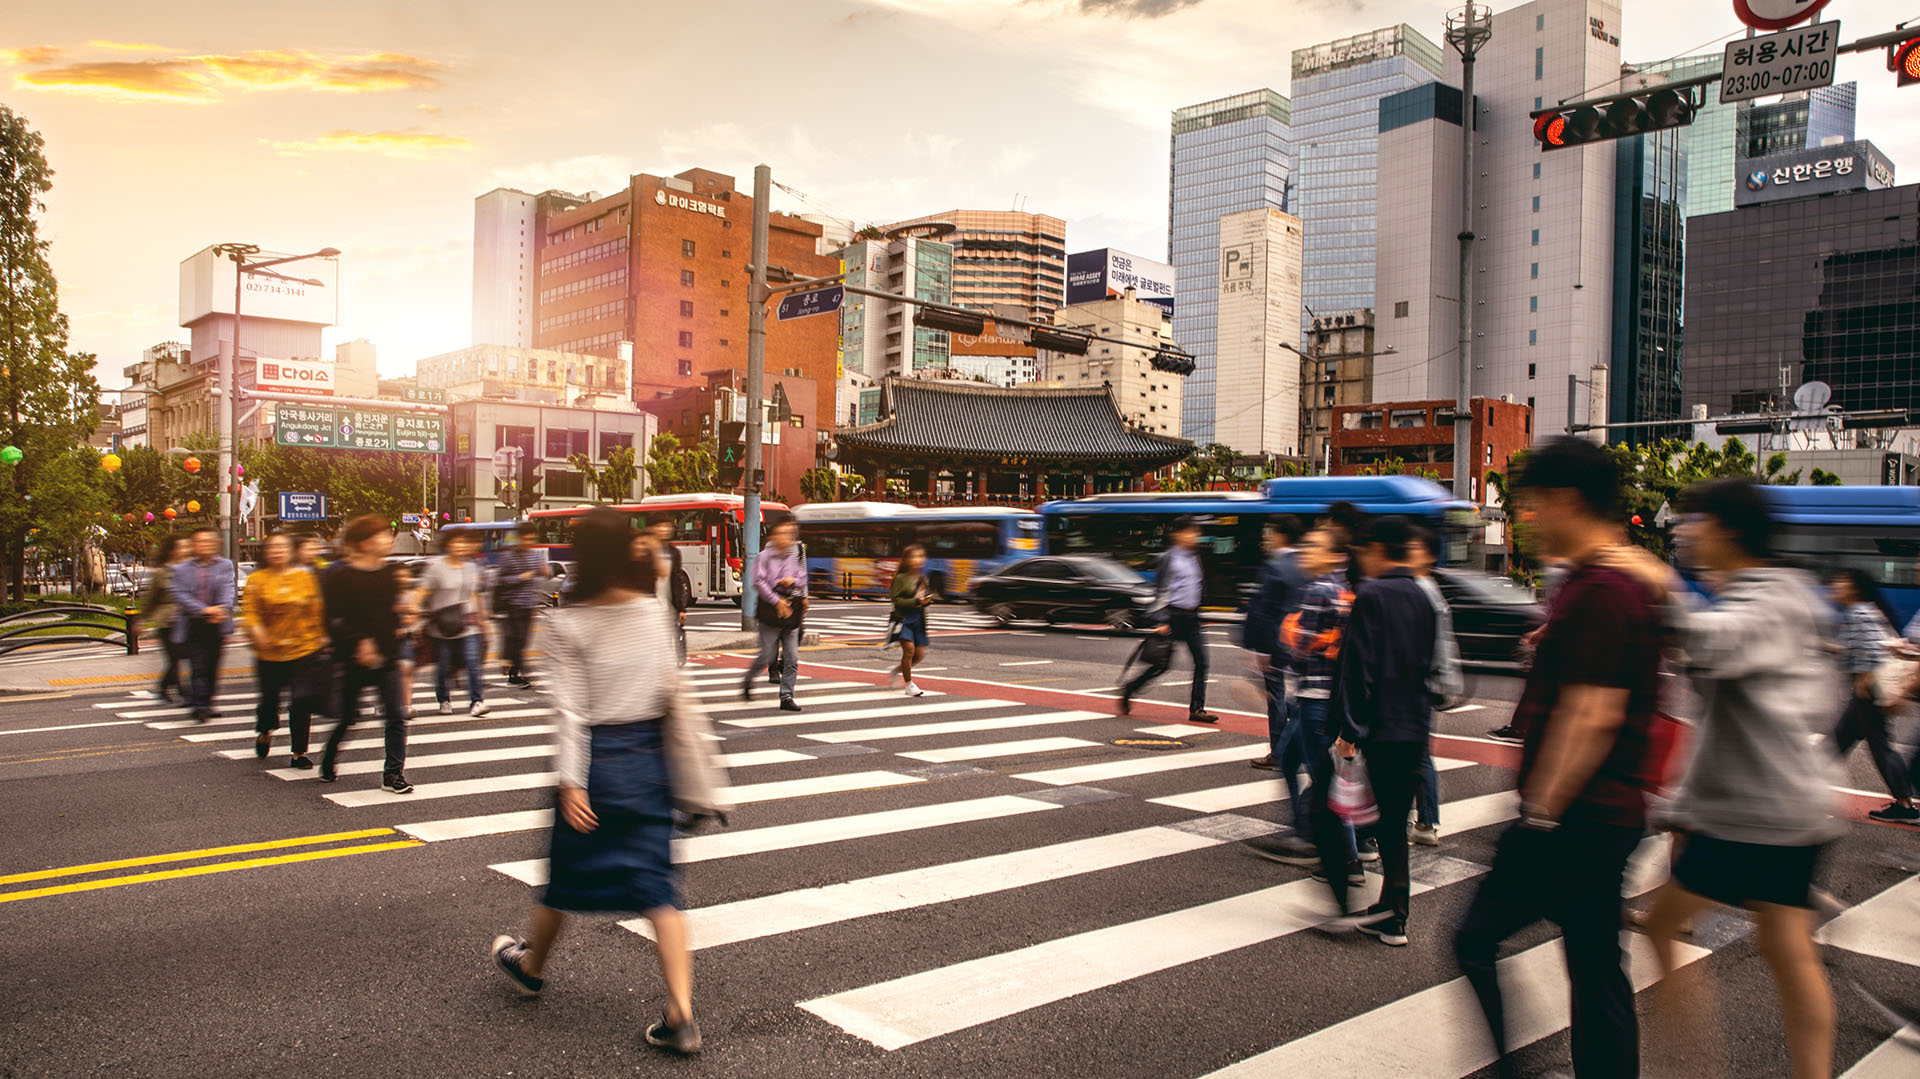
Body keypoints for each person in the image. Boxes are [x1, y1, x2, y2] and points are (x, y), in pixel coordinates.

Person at [1452, 437, 1663, 1079]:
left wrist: (1543, 810)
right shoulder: (1613, 581)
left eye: (1533, 505)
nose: (1526, 521)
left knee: (1475, 939)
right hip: (1612, 813)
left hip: (1574, 818)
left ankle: (1509, 1069)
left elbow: (1593, 712)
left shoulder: (1601, 588)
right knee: (1597, 965)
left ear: (1568, 501)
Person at [1619, 478, 1844, 1079]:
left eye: (1695, 521)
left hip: (1759, 814)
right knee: (1787, 950)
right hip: (1781, 807)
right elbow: (1724, 718)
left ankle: (1691, 1064)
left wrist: (1657, 579)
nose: (1685, 531)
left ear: (1727, 531)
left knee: (1665, 928)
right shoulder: (1769, 591)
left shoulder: (1771, 599)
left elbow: (1713, 645)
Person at [489, 508, 730, 1056]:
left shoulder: (570, 621)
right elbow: (669, 684)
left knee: (565, 875)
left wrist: (572, 782)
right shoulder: (652, 611)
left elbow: (571, 712)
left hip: (599, 764)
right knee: (659, 890)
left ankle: (530, 966)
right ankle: (681, 1014)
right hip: (649, 762)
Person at [1244, 527, 1361, 879]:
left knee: (1324, 780)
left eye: (1315, 546)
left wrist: (1274, 658)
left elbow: (1299, 647)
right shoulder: (1344, 589)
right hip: (1327, 697)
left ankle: (1341, 856)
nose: (1306, 551)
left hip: (1315, 699)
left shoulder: (1318, 590)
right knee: (1291, 757)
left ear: (1333, 555)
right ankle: (1305, 834)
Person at [318, 515, 413, 794]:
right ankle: (329, 757)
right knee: (349, 716)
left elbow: (392, 611)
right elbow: (332, 618)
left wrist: (400, 629)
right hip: (353, 659)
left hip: (388, 656)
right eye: (382, 535)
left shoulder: (390, 573)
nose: (388, 540)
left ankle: (393, 774)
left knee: (396, 715)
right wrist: (359, 642)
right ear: (365, 542)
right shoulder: (339, 574)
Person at [1825, 569, 1918, 824]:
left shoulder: (1860, 613)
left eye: (1840, 582)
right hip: (1864, 693)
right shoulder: (1866, 611)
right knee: (1837, 742)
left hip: (1866, 692)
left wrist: (1864, 683)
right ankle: (1806, 786)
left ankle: (1905, 805)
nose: (1835, 587)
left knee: (1880, 747)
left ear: (1854, 588)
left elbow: (1871, 654)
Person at [243, 533, 329, 768]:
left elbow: (316, 608)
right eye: (273, 547)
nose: (278, 551)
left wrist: (322, 634)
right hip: (269, 652)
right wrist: (257, 629)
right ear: (266, 552)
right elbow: (250, 612)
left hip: (303, 650)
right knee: (270, 701)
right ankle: (265, 731)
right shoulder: (257, 580)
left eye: (283, 547)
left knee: (301, 701)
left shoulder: (304, 577)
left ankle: (298, 753)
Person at [1120, 516, 1217, 722]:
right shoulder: (1168, 559)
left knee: (1202, 661)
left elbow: (1198, 584)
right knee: (1161, 664)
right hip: (1173, 616)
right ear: (1178, 534)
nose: (1195, 536)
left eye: (1196, 532)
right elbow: (1160, 592)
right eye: (1191, 532)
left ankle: (1197, 708)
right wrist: (1160, 621)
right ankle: (1130, 688)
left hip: (1192, 617)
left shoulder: (1195, 557)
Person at [1408, 526, 1463, 846]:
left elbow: (1438, 642)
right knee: (1418, 754)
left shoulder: (1422, 589)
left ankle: (1426, 821)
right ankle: (1426, 821)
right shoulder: (1426, 588)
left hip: (1419, 684)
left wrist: (1442, 680)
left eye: (1414, 549)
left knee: (1417, 755)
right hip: (1426, 683)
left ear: (1428, 556)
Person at [1244, 517, 1308, 770]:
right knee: (1301, 695)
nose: (1267, 538)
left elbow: (1263, 609)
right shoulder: (1306, 564)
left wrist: (1257, 647)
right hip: (1302, 643)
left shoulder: (1275, 566)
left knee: (1277, 698)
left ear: (1281, 535)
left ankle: (1280, 752)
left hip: (1276, 642)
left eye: (1270, 533)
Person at [418, 530, 491, 717]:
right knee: (444, 665)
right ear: (448, 545)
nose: (461, 546)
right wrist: (412, 610)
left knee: (472, 661)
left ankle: (477, 701)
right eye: (457, 542)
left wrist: (483, 620)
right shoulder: (436, 567)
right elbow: (423, 591)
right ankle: (444, 699)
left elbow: (474, 594)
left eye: (464, 543)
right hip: (443, 627)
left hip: (468, 623)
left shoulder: (471, 567)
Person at [168, 527, 235, 722]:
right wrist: (204, 610)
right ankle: (199, 704)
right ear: (193, 545)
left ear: (216, 543)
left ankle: (208, 701)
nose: (204, 545)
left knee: (213, 665)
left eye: (208, 541)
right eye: (200, 541)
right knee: (198, 666)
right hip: (193, 624)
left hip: (217, 624)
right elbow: (179, 594)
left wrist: (222, 608)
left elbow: (228, 589)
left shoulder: (225, 566)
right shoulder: (180, 569)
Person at [742, 518, 806, 711]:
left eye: (790, 534)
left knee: (791, 657)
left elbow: (802, 578)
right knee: (767, 655)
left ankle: (786, 696)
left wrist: (793, 581)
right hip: (770, 610)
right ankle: (748, 680)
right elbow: (758, 583)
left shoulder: (792, 557)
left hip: (791, 609)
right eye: (783, 533)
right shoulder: (763, 557)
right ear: (773, 537)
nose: (788, 538)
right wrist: (776, 600)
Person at [493, 523, 548, 689]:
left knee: (523, 641)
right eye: (526, 538)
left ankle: (513, 669)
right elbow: (501, 580)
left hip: (528, 605)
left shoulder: (535, 555)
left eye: (532, 539)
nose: (529, 542)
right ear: (519, 538)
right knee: (516, 639)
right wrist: (520, 578)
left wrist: (545, 571)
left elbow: (544, 573)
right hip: (512, 604)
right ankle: (521, 673)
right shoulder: (508, 556)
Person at [144, 535, 187, 704]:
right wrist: (142, 620)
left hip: (185, 621)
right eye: (181, 547)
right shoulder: (161, 572)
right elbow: (150, 599)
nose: (185, 550)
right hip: (167, 622)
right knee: (174, 658)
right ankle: (181, 691)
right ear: (172, 550)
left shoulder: (188, 569)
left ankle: (166, 688)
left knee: (182, 657)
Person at [888, 544, 934, 697]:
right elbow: (896, 600)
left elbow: (925, 598)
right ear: (907, 560)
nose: (918, 560)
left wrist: (926, 601)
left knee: (919, 655)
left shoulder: (922, 578)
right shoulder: (900, 578)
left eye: (921, 556)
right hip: (903, 620)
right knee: (909, 650)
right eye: (914, 556)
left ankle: (897, 670)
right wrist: (916, 602)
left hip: (919, 620)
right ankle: (909, 685)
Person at [648, 520, 692, 664]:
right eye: (660, 526)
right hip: (650, 605)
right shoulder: (646, 551)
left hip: (668, 605)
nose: (664, 530)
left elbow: (678, 580)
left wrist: (681, 608)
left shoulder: (673, 552)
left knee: (668, 639)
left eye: (666, 526)